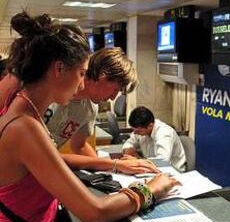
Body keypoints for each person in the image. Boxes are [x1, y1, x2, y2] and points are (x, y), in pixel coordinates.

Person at [0, 11, 178, 222]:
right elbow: (96, 213)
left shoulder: (26, 114)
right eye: (81, 73)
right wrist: (150, 188)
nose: (82, 83)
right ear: (59, 69)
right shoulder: (24, 127)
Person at [0, 46, 157, 175]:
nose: (112, 97)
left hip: (37, 174)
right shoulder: (44, 92)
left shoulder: (89, 109)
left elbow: (79, 146)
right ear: (103, 76)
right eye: (115, 89)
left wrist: (106, 174)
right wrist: (111, 164)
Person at [122, 106, 187, 172]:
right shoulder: (141, 129)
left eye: (138, 131)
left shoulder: (164, 133)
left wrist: (138, 160)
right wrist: (128, 149)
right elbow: (129, 142)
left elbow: (162, 161)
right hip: (151, 169)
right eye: (134, 131)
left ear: (150, 125)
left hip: (172, 171)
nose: (135, 133)